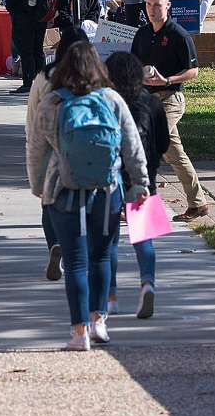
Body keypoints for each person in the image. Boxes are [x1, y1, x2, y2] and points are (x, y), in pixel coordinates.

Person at [26, 40, 150, 349]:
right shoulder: (112, 99)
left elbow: (35, 149)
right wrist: (140, 183)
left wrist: (37, 186)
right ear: (98, 67)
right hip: (106, 190)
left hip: (63, 189)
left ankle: (79, 333)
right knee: (100, 257)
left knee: (76, 262)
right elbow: (132, 146)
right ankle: (99, 322)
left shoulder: (52, 102)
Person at [132, 0, 209, 221]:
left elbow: (193, 70)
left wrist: (166, 79)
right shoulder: (142, 33)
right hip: (146, 100)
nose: (152, 10)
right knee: (173, 152)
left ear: (168, 6)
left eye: (157, 5)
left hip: (170, 99)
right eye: (148, 4)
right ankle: (198, 204)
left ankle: (142, 208)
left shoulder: (178, 34)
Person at [104, 51, 169, 319]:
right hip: (145, 175)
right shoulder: (152, 103)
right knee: (143, 237)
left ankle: (111, 297)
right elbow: (163, 142)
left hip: (112, 176)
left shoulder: (107, 103)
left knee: (108, 241)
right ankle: (148, 284)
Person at [25, 28, 90, 282]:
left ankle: (54, 244)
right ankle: (77, 250)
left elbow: (33, 120)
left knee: (49, 202)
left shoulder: (44, 77)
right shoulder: (93, 79)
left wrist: (33, 153)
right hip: (84, 150)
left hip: (51, 150)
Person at [5, 0, 49, 95]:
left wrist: (14, 11)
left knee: (26, 50)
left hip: (23, 18)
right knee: (38, 49)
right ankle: (41, 83)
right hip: (41, 17)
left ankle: (28, 83)